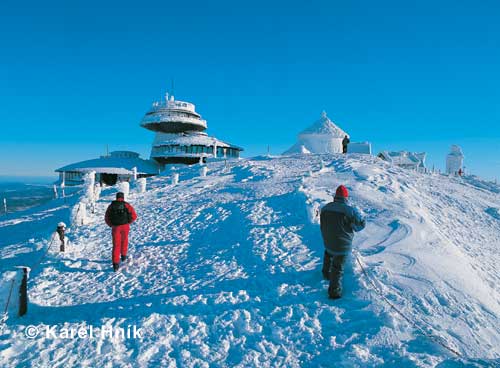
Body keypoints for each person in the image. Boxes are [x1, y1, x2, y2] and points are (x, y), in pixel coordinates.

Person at [320, 185, 365, 299]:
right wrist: (361, 217)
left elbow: (322, 224)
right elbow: (358, 227)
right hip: (342, 245)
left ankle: (326, 274)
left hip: (328, 241)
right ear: (346, 197)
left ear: (336, 196)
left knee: (328, 254)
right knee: (337, 268)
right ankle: (334, 292)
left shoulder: (325, 208)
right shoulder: (349, 211)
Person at [105, 192, 137, 271]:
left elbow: (106, 218)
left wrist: (111, 225)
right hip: (125, 226)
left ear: (116, 197)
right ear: (123, 197)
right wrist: (128, 222)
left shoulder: (111, 206)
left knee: (116, 244)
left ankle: (115, 264)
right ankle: (123, 256)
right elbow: (134, 215)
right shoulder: (126, 205)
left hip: (115, 227)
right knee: (124, 241)